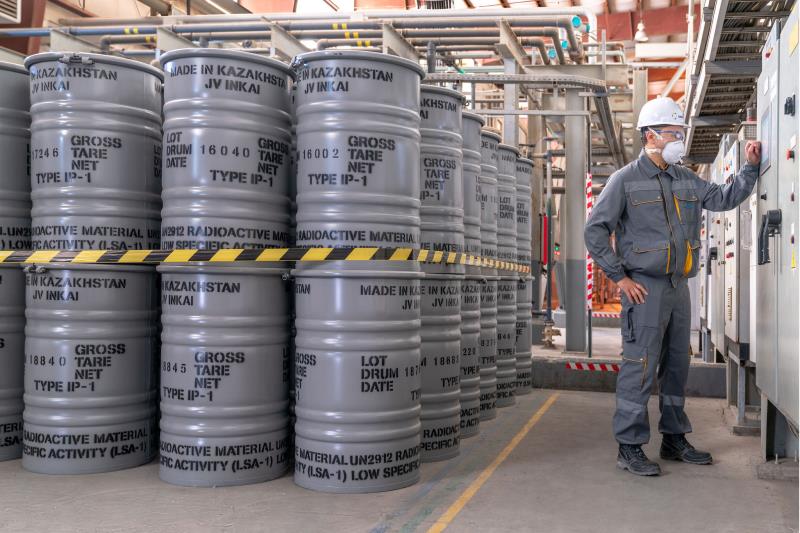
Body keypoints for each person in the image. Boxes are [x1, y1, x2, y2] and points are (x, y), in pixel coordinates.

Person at [584, 97, 761, 476]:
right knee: (640, 366)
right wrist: (619, 277)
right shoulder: (625, 180)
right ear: (650, 136)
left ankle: (673, 438)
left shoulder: (685, 179)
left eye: (680, 133)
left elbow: (723, 197)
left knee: (677, 365)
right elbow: (594, 230)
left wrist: (750, 168)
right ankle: (629, 446)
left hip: (679, 288)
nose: (679, 139)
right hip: (644, 289)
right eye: (673, 133)